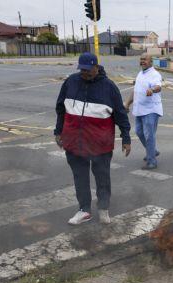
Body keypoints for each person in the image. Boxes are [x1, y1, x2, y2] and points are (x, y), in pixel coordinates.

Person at [54, 52, 131, 225]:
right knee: (79, 177)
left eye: (88, 70)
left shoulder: (109, 87)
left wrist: (126, 138)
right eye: (82, 70)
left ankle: (103, 208)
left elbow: (120, 115)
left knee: (102, 177)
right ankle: (84, 210)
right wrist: (58, 131)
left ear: (96, 67)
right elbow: (60, 109)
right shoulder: (71, 82)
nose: (85, 73)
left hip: (99, 144)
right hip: (74, 141)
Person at [124, 53, 163, 170]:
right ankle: (153, 151)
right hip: (140, 109)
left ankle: (152, 161)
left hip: (151, 110)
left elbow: (158, 86)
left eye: (145, 59)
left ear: (151, 62)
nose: (142, 61)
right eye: (141, 59)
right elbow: (135, 91)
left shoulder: (155, 74)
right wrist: (127, 103)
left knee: (149, 135)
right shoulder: (140, 74)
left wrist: (152, 89)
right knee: (139, 132)